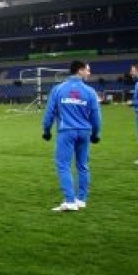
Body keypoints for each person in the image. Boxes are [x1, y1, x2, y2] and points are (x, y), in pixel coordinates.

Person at [42, 60, 102, 212]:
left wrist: (47, 130)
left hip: (66, 131)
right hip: (84, 132)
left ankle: (70, 202)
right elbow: (96, 117)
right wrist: (96, 134)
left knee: (63, 166)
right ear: (80, 70)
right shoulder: (90, 92)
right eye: (87, 70)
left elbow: (50, 113)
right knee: (82, 165)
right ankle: (81, 200)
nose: (89, 73)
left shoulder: (58, 89)